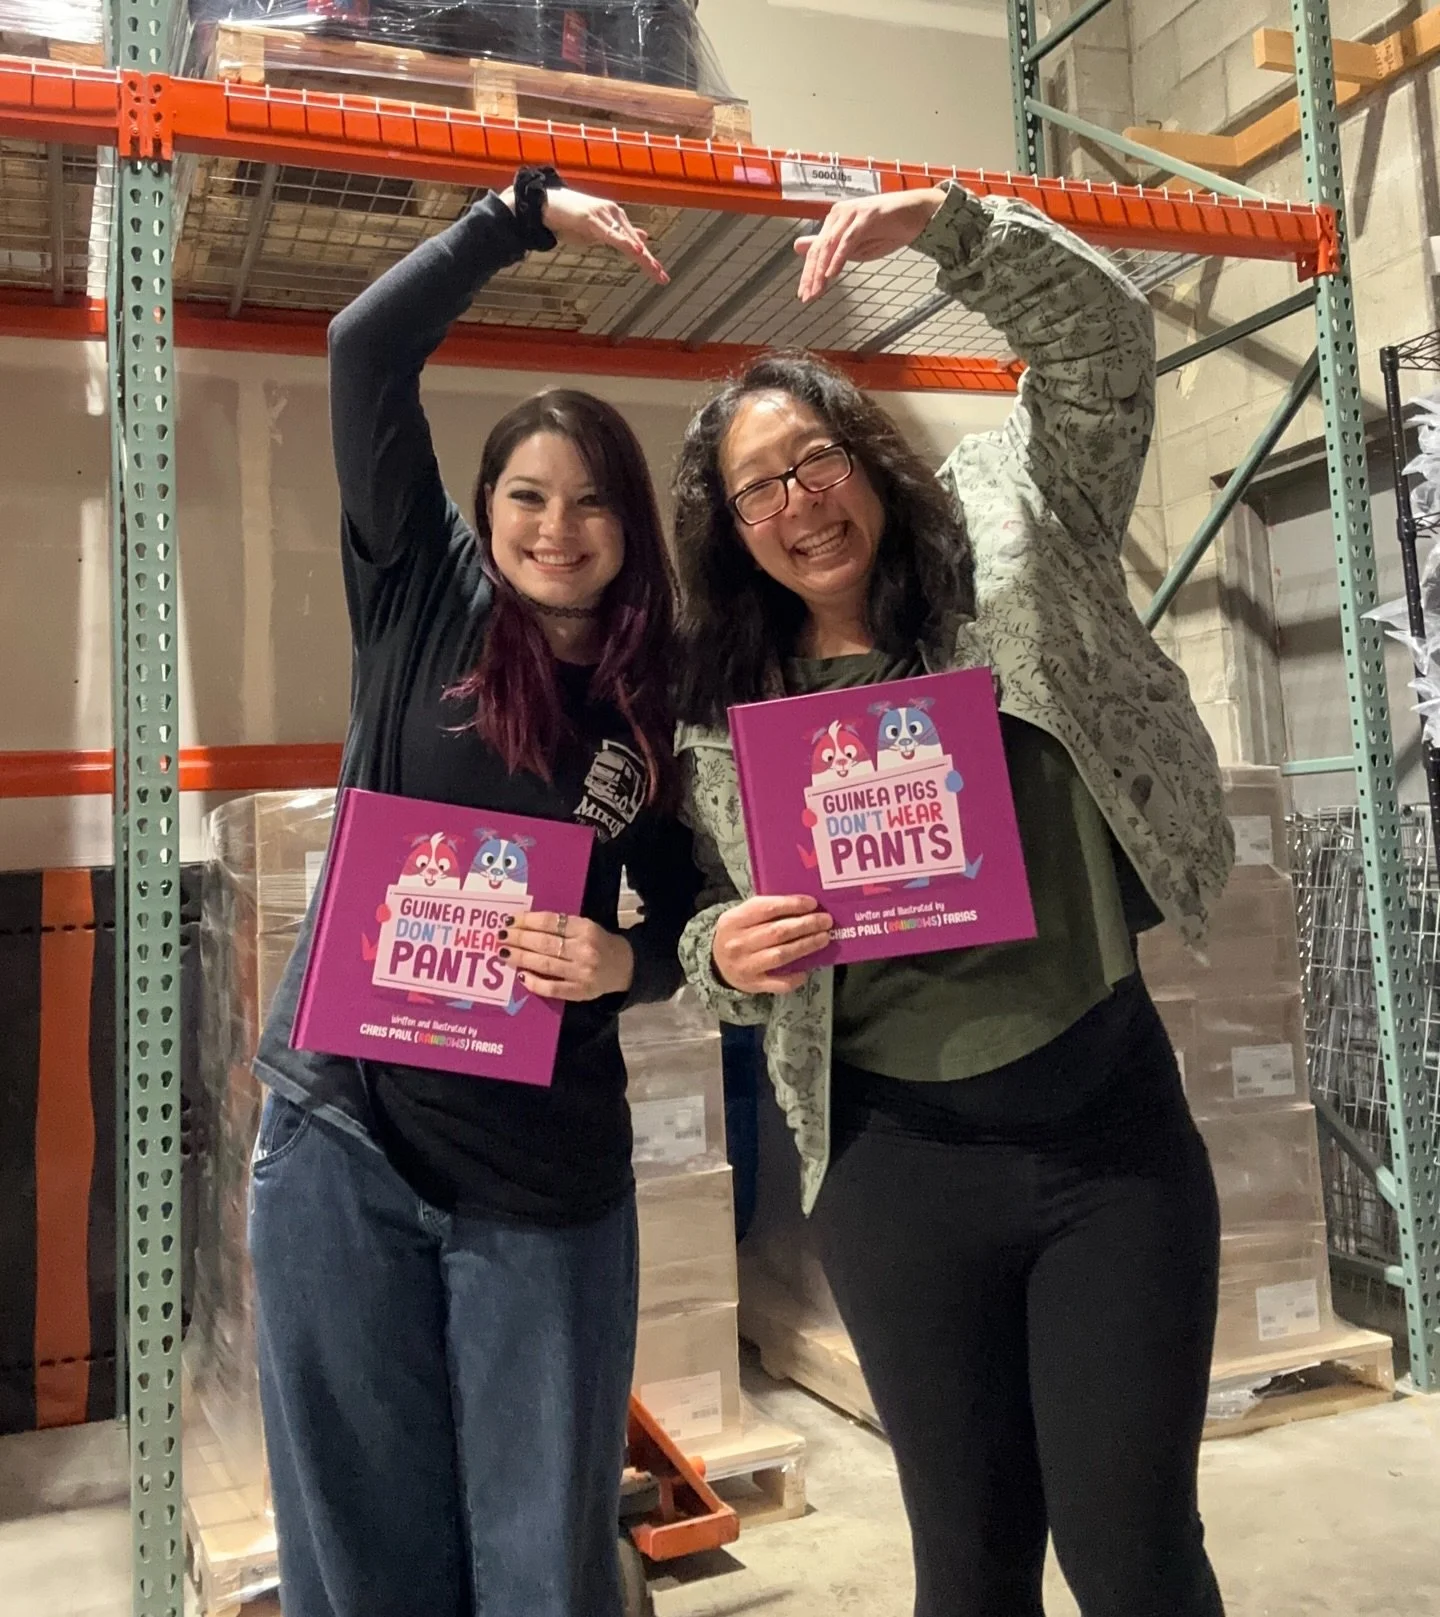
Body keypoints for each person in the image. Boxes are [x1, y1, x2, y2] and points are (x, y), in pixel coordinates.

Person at [670, 181, 1235, 1617]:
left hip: (1108, 1138)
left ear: (868, 456)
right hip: (895, 1172)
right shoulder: (726, 712)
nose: (800, 502)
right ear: (734, 529)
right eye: (761, 488)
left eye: (816, 459)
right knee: (969, 1578)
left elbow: (1108, 345)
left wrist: (954, 226)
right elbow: (683, 938)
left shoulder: (1017, 533)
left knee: (1137, 1563)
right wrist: (725, 953)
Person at [245, 168, 701, 1617]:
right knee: (361, 1548)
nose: (555, 530)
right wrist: (513, 218)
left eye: (589, 506)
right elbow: (364, 352)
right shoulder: (423, 595)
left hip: (542, 1171)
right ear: (485, 508)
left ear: (631, 526)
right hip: (346, 1137)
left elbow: (687, 912)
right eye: (526, 496)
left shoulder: (662, 701)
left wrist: (622, 964)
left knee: (541, 1564)